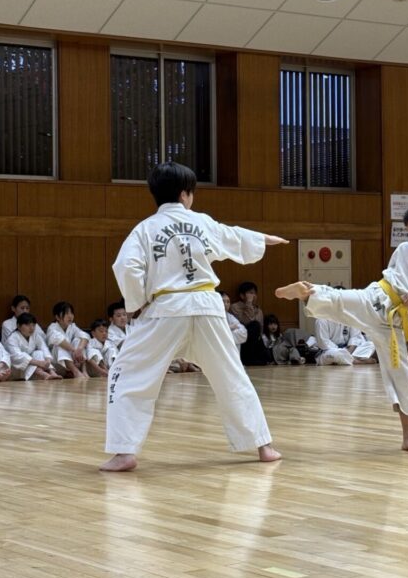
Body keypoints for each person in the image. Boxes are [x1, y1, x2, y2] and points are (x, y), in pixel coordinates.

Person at [100, 161, 285, 472]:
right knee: (231, 376)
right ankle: (263, 445)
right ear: (185, 194)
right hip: (208, 307)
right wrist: (263, 239)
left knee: (128, 374)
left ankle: (124, 451)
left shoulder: (145, 228)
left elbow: (126, 266)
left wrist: (137, 302)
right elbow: (232, 236)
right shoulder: (201, 222)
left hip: (166, 309)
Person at [277, 200, 408, 453]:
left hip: (394, 323)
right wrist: (404, 295)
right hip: (377, 298)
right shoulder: (404, 250)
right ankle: (306, 291)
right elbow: (391, 278)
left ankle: (407, 437)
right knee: (340, 300)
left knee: (403, 376)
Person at [5, 313, 61, 381]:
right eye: (27, 325)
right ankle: (43, 374)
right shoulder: (12, 338)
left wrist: (48, 360)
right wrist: (39, 363)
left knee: (39, 353)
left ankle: (51, 372)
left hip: (33, 368)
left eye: (33, 325)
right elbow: (17, 357)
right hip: (16, 369)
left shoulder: (35, 335)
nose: (31, 328)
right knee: (25, 358)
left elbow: (43, 347)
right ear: (19, 326)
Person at [46, 301, 90, 379]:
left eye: (71, 313)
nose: (70, 316)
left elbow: (85, 336)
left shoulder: (72, 326)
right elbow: (59, 340)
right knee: (60, 345)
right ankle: (75, 372)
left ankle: (84, 371)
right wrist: (74, 350)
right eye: (66, 313)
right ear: (57, 317)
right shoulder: (52, 328)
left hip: (74, 361)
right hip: (57, 364)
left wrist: (79, 349)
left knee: (78, 341)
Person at [231, 281, 269, 366]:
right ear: (242, 295)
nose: (253, 296)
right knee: (254, 325)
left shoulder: (259, 310)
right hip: (243, 340)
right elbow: (245, 322)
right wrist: (248, 304)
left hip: (256, 342)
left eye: (255, 293)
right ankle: (247, 359)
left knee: (265, 359)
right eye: (250, 293)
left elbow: (260, 329)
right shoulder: (235, 307)